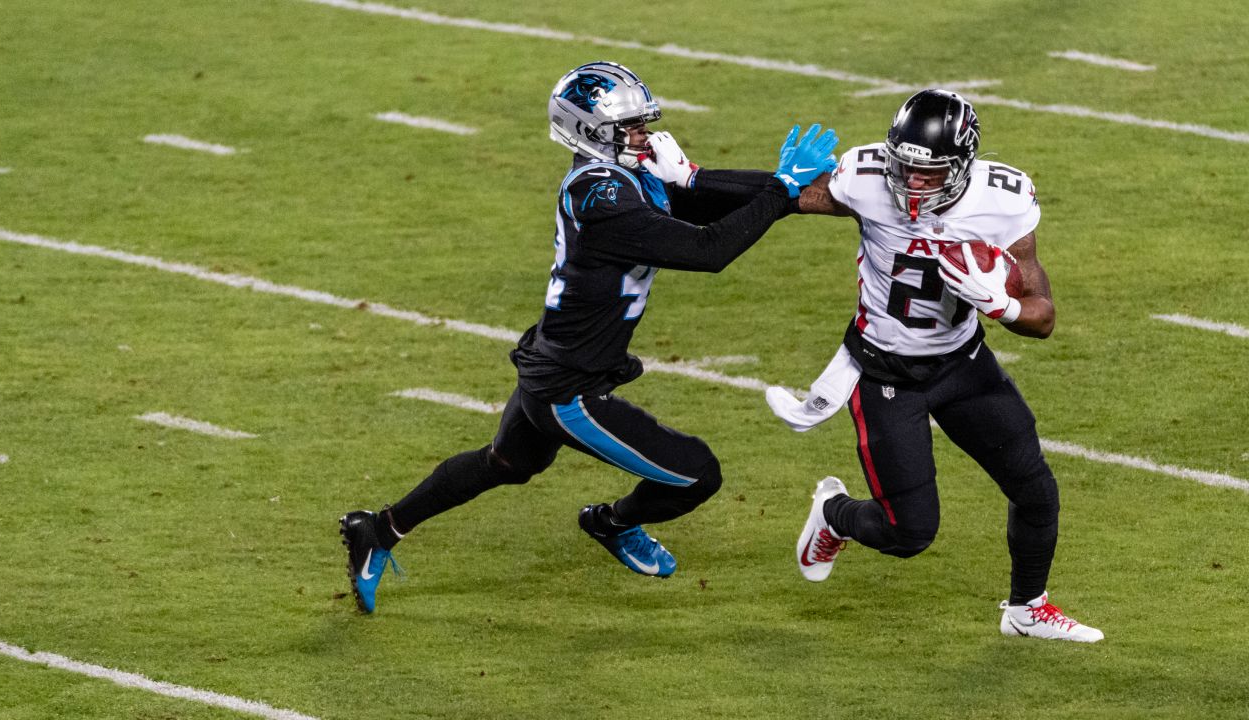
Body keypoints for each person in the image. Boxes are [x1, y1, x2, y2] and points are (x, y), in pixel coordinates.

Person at [338, 60, 839, 613]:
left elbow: (710, 200)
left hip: (556, 359)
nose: (645, 137)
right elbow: (707, 251)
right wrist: (780, 190)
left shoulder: (618, 179)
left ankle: (377, 530)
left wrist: (773, 189)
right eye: (633, 127)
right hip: (568, 388)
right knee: (697, 476)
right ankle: (612, 523)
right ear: (590, 130)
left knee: (506, 464)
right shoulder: (600, 197)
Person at [787, 89, 1103, 642]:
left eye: (928, 173)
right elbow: (780, 199)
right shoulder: (867, 180)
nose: (911, 183)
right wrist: (689, 181)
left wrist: (1001, 305)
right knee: (908, 533)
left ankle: (1027, 608)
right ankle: (834, 513)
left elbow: (1043, 316)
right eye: (904, 167)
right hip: (887, 375)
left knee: (1035, 491)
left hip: (962, 363)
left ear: (962, 167)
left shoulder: (1002, 201)